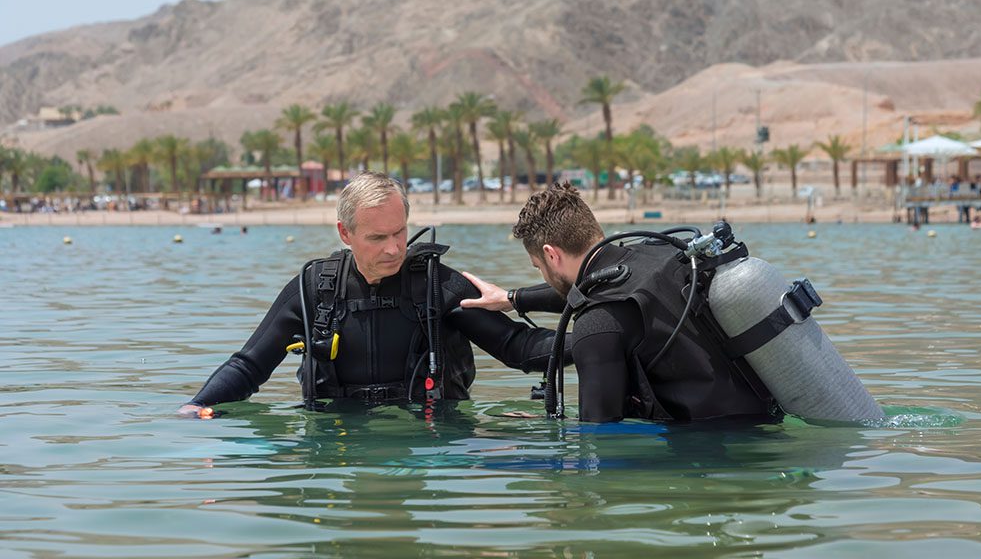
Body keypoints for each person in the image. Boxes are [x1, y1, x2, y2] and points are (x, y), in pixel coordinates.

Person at [179, 171, 561, 417]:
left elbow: (519, 347)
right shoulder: (316, 289)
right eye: (377, 238)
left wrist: (605, 340)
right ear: (345, 233)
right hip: (338, 444)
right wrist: (197, 405)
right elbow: (249, 366)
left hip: (431, 444)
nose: (395, 248)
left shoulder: (436, 285)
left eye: (399, 232)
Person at [461, 183, 774, 423]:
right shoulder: (662, 254)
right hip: (765, 415)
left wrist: (542, 430)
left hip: (715, 453)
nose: (542, 274)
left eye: (538, 267)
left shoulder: (595, 327)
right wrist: (512, 299)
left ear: (551, 254)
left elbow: (599, 438)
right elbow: (595, 290)